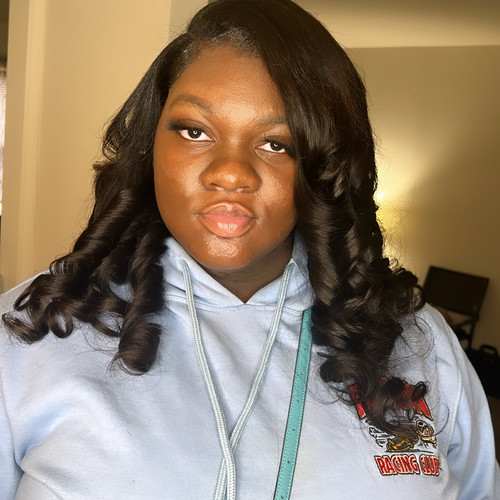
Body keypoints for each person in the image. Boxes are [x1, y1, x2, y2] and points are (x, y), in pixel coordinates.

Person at [1, 0, 498, 498]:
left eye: (276, 143)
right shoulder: (29, 337)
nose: (230, 174)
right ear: (150, 146)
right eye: (195, 131)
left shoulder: (420, 344)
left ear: (324, 167)